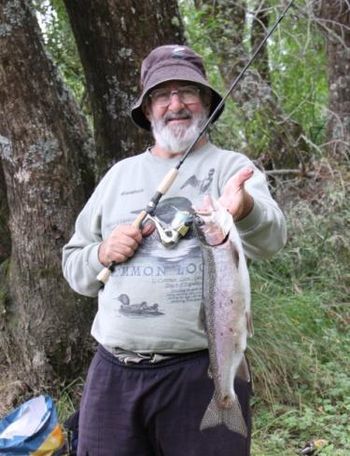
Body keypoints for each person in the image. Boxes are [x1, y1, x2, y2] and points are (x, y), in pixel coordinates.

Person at [62, 44, 287, 456]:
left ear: (206, 102)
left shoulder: (231, 168)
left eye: (188, 91)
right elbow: (75, 267)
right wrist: (101, 253)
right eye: (163, 94)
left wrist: (246, 208)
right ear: (147, 109)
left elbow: (272, 240)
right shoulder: (118, 176)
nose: (176, 104)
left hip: (204, 371)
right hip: (114, 373)